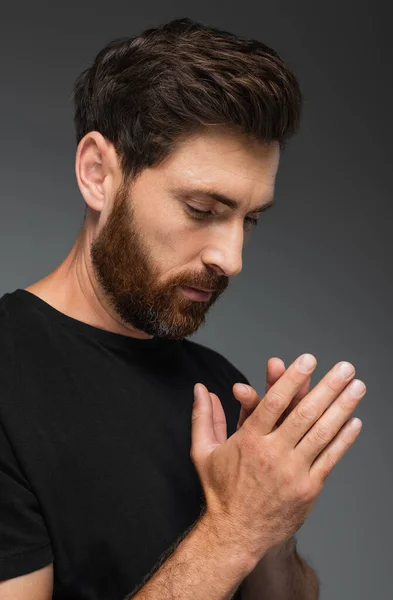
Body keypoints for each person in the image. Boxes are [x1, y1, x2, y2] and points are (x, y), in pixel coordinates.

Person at [0, 16, 366, 600]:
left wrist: (272, 521)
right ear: (98, 174)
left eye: (250, 220)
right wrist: (234, 528)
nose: (232, 257)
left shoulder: (222, 386)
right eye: (202, 208)